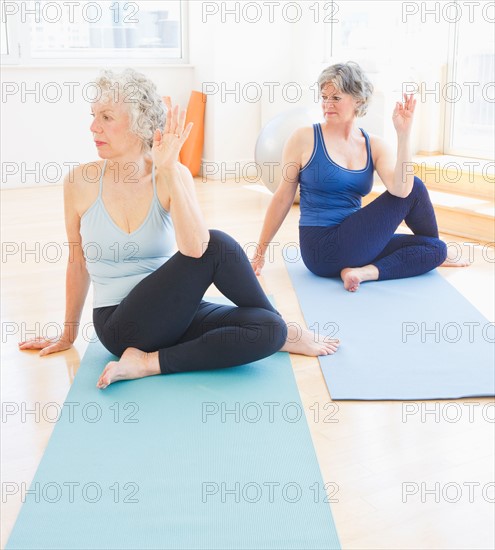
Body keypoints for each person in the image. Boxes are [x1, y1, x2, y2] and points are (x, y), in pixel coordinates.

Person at [18, 69, 339, 389]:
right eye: (93, 116)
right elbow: (77, 262)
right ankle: (289, 331)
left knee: (270, 330)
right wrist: (68, 333)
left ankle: (150, 362)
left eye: (105, 117)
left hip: (174, 313)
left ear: (139, 122)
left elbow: (193, 248)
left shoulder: (174, 174)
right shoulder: (79, 182)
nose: (93, 127)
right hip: (119, 324)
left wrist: (169, 168)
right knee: (218, 244)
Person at [252, 62, 468, 291]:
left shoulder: (373, 144)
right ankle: (424, 251)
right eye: (324, 97)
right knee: (417, 189)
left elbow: (401, 190)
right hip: (320, 248)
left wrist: (403, 136)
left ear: (358, 100)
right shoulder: (303, 138)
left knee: (436, 248)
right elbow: (283, 198)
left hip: (356, 243)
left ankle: (363, 272)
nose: (327, 104)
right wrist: (259, 253)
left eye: (336, 98)